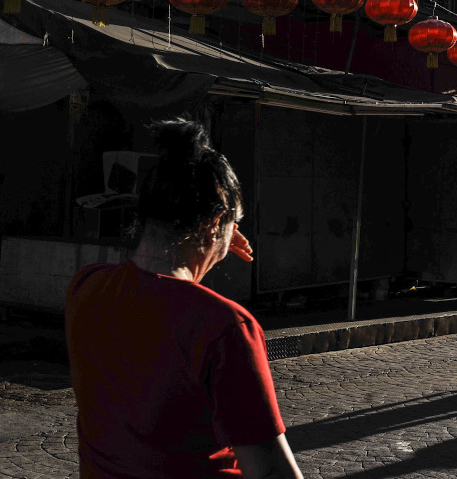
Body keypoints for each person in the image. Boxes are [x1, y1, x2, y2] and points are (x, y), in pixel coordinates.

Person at [65, 119, 304, 479]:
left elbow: (146, 281)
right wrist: (215, 235)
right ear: (215, 222)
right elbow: (272, 472)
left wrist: (216, 231)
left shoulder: (86, 287)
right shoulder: (223, 327)